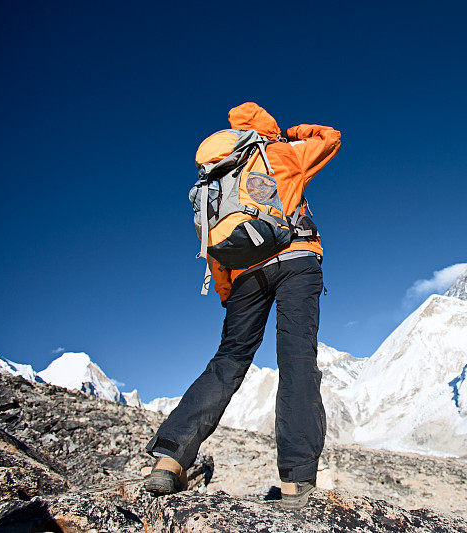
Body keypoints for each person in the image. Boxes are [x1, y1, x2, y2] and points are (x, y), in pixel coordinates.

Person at [144, 102, 341, 510]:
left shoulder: (215, 179)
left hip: (244, 277)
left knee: (228, 360)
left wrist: (227, 292)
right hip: (296, 261)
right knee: (297, 360)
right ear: (265, 128)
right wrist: (293, 132)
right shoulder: (282, 154)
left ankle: (169, 459)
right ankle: (296, 482)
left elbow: (216, 245)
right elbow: (331, 139)